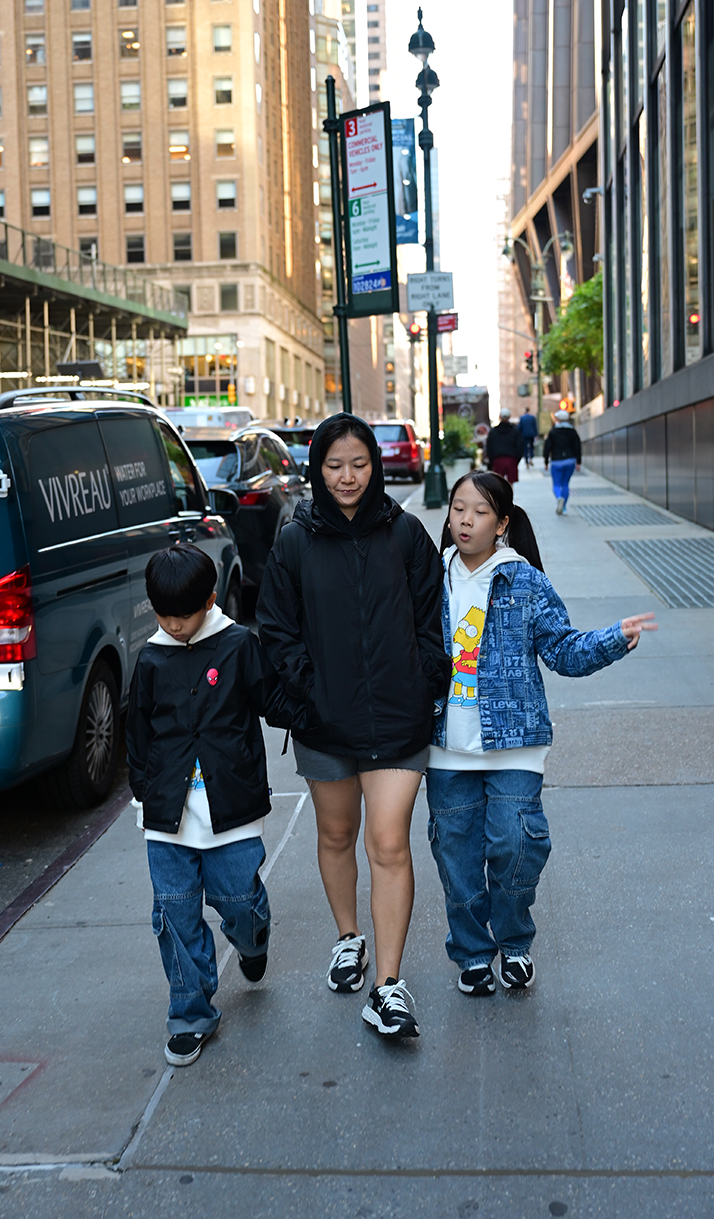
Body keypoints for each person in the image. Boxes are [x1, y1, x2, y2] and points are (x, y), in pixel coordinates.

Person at [427, 471, 656, 995]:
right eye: (458, 508)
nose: (465, 520)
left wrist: (614, 639)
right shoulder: (429, 577)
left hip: (515, 745)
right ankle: (472, 952)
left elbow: (563, 650)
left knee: (517, 847)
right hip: (446, 747)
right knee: (457, 861)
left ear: (502, 523)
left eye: (480, 511)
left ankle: (513, 941)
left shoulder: (525, 581)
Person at [257, 413, 447, 1040]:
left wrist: (423, 682)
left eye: (359, 464)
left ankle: (388, 985)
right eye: (335, 465)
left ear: (375, 466)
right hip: (325, 718)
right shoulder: (294, 541)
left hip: (398, 718)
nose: (347, 477)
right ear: (317, 469)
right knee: (337, 834)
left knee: (388, 842)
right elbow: (276, 628)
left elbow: (432, 620)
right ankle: (348, 938)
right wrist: (310, 691)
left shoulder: (406, 534)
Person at [127, 544, 295, 1067]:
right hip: (167, 819)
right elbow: (138, 733)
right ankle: (190, 1014)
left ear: (210, 600)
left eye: (184, 614)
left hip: (233, 809)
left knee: (238, 900)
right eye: (164, 615)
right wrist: (144, 791)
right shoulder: (151, 658)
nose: (174, 625)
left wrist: (319, 707)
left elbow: (272, 701)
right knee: (175, 916)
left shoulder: (239, 644)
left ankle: (253, 937)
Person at [543, 408, 582, 513]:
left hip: (556, 461)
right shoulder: (572, 432)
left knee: (556, 484)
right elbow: (577, 447)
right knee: (565, 484)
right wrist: (578, 461)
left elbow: (547, 447)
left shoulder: (553, 432)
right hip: (570, 460)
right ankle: (564, 507)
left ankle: (559, 497)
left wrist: (546, 461)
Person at [484, 408, 524, 486]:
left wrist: (491, 460)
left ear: (499, 417)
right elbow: (520, 446)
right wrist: (517, 458)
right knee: (510, 483)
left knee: (499, 483)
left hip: (497, 459)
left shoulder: (493, 432)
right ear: (509, 417)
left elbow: (489, 447)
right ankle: (510, 493)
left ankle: (501, 494)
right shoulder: (515, 431)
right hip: (511, 459)